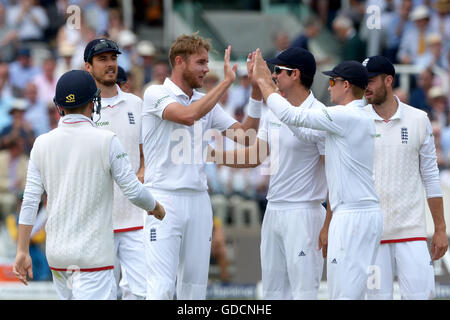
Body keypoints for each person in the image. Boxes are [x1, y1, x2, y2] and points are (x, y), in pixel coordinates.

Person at [12, 70, 165, 300]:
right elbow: (133, 191)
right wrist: (156, 207)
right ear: (94, 103)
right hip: (93, 258)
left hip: (59, 257)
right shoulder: (107, 140)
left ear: (59, 106)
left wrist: (22, 250)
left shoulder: (41, 143)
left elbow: (30, 202)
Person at [252, 51, 383, 300]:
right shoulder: (350, 117)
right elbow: (302, 131)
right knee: (344, 294)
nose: (329, 87)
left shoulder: (345, 115)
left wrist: (264, 83)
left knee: (344, 295)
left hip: (353, 214)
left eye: (333, 82)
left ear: (346, 86)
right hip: (354, 212)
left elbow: (294, 116)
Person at [141, 33, 261, 300]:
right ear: (180, 62)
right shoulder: (155, 93)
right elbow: (187, 116)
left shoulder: (205, 100)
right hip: (162, 199)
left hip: (198, 200)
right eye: (201, 62)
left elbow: (246, 137)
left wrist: (255, 92)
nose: (207, 69)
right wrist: (227, 83)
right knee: (160, 289)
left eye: (207, 63)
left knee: (194, 292)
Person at [210, 47, 328, 299]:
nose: (273, 76)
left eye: (277, 71)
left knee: (304, 293)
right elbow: (255, 155)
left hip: (305, 212)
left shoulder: (319, 114)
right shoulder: (275, 110)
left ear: (295, 74)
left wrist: (330, 220)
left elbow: (333, 172)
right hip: (274, 210)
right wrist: (213, 156)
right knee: (273, 293)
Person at [362, 55, 448, 300]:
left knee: (423, 296)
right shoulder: (357, 119)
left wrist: (440, 229)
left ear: (388, 80)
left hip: (412, 231)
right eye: (363, 80)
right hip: (373, 234)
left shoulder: (418, 119)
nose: (365, 86)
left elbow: (431, 176)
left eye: (371, 80)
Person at [84, 38, 148, 300]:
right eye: (102, 59)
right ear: (88, 67)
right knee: (103, 295)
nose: (110, 64)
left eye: (113, 58)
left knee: (144, 293)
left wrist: (142, 174)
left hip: (136, 221)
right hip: (99, 223)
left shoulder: (136, 104)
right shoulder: (82, 110)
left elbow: (146, 154)